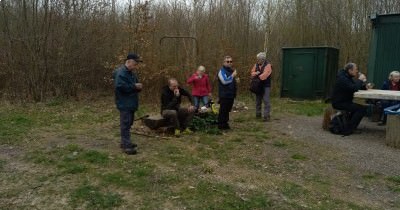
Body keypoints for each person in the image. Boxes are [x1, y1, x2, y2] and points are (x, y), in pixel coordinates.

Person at [113, 53, 143, 155]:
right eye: (135, 63)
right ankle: (126, 145)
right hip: (124, 102)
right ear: (128, 62)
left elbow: (134, 85)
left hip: (131, 102)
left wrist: (138, 87)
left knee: (129, 122)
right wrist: (135, 86)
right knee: (125, 124)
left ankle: (125, 142)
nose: (136, 66)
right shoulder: (121, 73)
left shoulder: (131, 72)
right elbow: (120, 87)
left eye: (136, 64)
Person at [331, 63, 369, 135]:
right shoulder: (342, 78)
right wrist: (360, 80)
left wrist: (364, 87)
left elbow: (353, 86)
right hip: (339, 103)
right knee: (361, 109)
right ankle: (349, 129)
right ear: (350, 70)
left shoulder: (347, 77)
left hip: (345, 101)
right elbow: (353, 88)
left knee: (361, 107)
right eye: (355, 69)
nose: (357, 71)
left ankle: (349, 126)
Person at [250, 52, 272, 121]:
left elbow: (265, 75)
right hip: (258, 86)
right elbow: (252, 72)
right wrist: (255, 73)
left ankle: (266, 116)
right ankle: (258, 114)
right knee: (258, 101)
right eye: (257, 59)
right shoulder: (256, 65)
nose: (257, 60)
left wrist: (257, 75)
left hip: (266, 86)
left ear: (262, 59)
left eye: (258, 59)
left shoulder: (268, 65)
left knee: (266, 101)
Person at [217, 55, 237, 130]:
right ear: (224, 62)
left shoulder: (231, 70)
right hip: (224, 94)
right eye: (227, 61)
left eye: (231, 61)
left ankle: (225, 124)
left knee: (227, 111)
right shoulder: (221, 71)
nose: (229, 63)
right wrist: (232, 76)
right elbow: (224, 81)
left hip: (231, 94)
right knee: (223, 110)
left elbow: (232, 81)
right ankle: (221, 125)